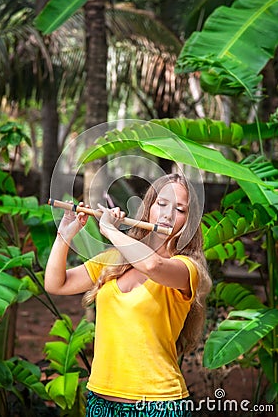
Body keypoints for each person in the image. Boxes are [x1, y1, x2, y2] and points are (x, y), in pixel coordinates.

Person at [45, 173, 212, 417]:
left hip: (157, 403)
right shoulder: (113, 261)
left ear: (190, 220)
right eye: (161, 204)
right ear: (149, 208)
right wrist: (65, 235)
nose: (167, 215)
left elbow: (153, 266)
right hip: (101, 400)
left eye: (180, 209)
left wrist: (112, 231)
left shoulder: (187, 268)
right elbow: (55, 284)